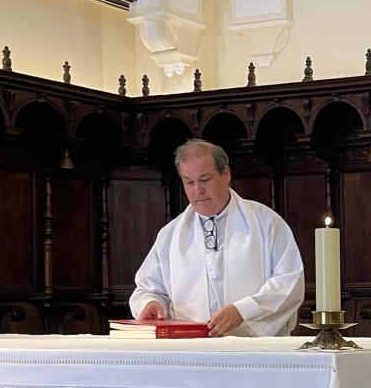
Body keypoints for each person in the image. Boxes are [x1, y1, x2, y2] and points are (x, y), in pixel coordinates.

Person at [130, 139, 304, 337]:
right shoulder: (170, 235)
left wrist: (243, 311)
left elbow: (289, 283)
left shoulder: (266, 223)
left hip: (257, 351)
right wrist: (152, 303)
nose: (197, 191)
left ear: (225, 175)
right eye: (189, 182)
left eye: (204, 180)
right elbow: (148, 288)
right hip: (192, 351)